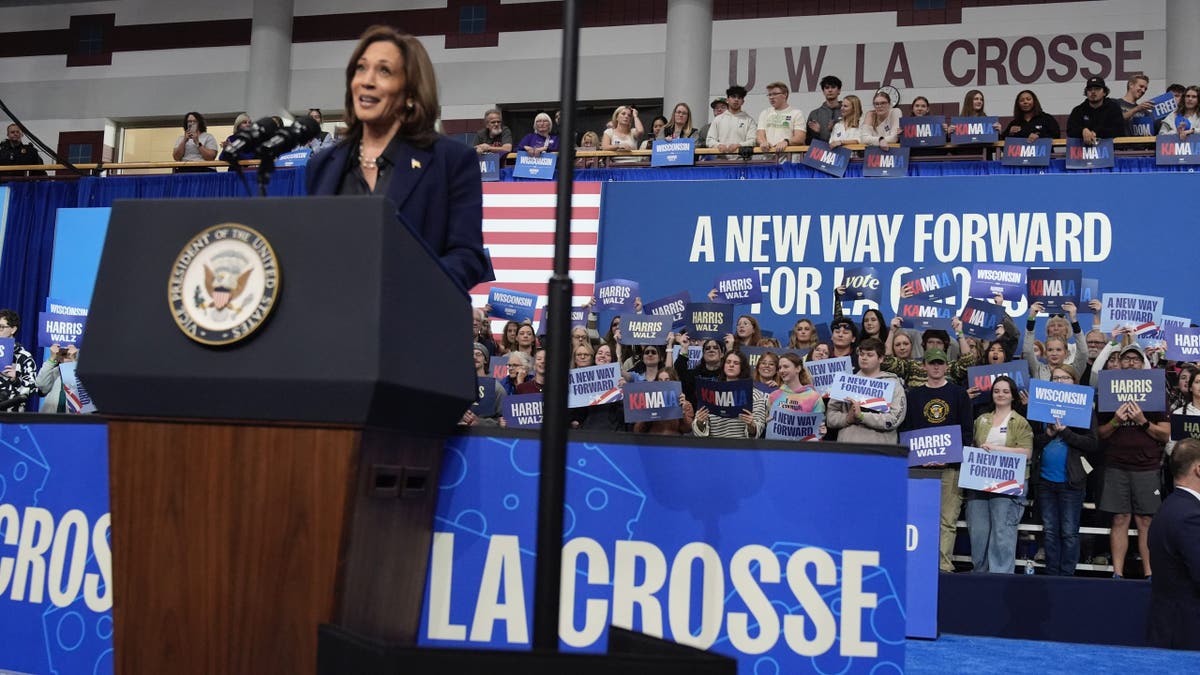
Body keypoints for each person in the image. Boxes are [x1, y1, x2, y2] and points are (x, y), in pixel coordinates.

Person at [306, 26, 491, 292]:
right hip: (336, 323)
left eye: (384, 71)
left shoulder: (451, 160)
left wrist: (408, 288)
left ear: (411, 94)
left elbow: (467, 258)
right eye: (361, 68)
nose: (367, 80)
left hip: (414, 321)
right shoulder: (322, 165)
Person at [1098, 343, 1171, 579]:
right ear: (1118, 363)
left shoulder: (1157, 391)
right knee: (1119, 518)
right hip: (1116, 464)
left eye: (1136, 359)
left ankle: (1150, 575)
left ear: (1143, 364)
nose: (1131, 362)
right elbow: (1099, 434)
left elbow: (1165, 434)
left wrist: (1142, 421)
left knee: (1146, 520)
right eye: (1126, 358)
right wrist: (1116, 421)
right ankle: (1117, 574)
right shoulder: (1108, 390)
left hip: (1147, 466)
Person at [903, 347, 975, 572]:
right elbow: (906, 431)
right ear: (923, 366)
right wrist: (921, 458)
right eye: (931, 363)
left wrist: (945, 458)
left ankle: (942, 565)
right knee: (918, 518)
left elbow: (967, 433)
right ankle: (918, 563)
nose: (936, 367)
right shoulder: (913, 395)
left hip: (950, 468)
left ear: (946, 366)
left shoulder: (958, 394)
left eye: (940, 363)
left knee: (947, 520)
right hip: (919, 469)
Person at [1033, 365, 1099, 576]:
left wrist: (1066, 433)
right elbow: (1034, 442)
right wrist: (1050, 434)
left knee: (1069, 532)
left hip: (1071, 481)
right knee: (1050, 531)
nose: (1059, 381)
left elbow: (1092, 444)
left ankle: (1067, 576)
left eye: (1065, 377)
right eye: (1055, 378)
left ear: (1075, 381)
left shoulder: (1085, 408)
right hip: (1045, 480)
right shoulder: (1041, 408)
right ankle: (1053, 575)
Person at [965, 375, 1033, 574]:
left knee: (1002, 534)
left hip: (1009, 484)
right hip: (979, 482)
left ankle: (1000, 579)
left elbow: (1027, 453)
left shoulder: (1020, 422)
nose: (1000, 394)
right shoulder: (981, 419)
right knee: (978, 533)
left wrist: (997, 449)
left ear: (1013, 396)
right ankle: (980, 575)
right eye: (996, 391)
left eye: (1005, 391)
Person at [1146, 438, 1200, 650]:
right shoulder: (1190, 515)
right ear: (1198, 469)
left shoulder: (1168, 507)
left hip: (1168, 627)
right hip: (1188, 633)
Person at [826, 338, 907, 445]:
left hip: (881, 450)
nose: (864, 358)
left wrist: (862, 417)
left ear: (881, 358)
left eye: (870, 355)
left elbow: (894, 419)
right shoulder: (845, 382)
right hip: (848, 449)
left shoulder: (893, 384)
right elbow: (830, 417)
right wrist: (847, 418)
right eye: (862, 354)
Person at [693, 349, 767, 439]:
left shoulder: (754, 394)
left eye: (736, 363)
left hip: (741, 447)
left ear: (742, 367)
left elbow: (758, 428)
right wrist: (700, 422)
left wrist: (751, 425)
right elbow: (698, 428)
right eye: (728, 362)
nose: (731, 365)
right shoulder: (710, 390)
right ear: (723, 365)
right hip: (714, 446)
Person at [632, 368, 694, 435]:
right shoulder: (648, 402)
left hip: (674, 442)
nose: (663, 383)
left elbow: (688, 429)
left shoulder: (685, 404)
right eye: (660, 380)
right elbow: (637, 430)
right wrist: (648, 412)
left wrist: (682, 412)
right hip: (653, 441)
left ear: (674, 382)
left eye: (667, 380)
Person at [1067, 77, 1125, 144]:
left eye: (1097, 89)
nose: (1093, 92)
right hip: (1083, 150)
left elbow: (1119, 131)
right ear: (1086, 93)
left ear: (1104, 92)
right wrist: (1082, 131)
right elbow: (1070, 131)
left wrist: (1095, 133)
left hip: (1110, 151)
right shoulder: (1078, 110)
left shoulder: (1113, 108)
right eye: (1090, 89)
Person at [0, 310, 36, 411]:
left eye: (1, 327)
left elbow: (33, 389)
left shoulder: (24, 357)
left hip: (11, 416)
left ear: (13, 330)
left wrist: (15, 380)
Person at [757, 81, 805, 156]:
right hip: (768, 158)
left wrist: (786, 142)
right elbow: (760, 134)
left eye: (775, 94)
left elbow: (800, 138)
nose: (771, 97)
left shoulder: (796, 113)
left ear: (785, 95)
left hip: (789, 159)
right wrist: (763, 142)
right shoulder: (765, 113)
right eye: (769, 95)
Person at [707, 85, 757, 153]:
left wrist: (739, 145)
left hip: (742, 160)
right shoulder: (718, 119)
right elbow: (709, 140)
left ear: (743, 101)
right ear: (727, 100)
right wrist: (718, 145)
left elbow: (753, 141)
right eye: (733, 96)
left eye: (739, 98)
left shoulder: (749, 120)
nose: (736, 100)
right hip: (721, 160)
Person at [35, 343, 82, 413]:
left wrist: (73, 360)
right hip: (50, 419)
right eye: (63, 355)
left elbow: (82, 393)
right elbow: (41, 385)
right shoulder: (53, 372)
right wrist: (52, 359)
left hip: (74, 421)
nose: (65, 359)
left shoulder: (84, 374)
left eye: (69, 354)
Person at [806, 75, 842, 145]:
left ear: (839, 91)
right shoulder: (814, 114)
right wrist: (816, 133)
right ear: (823, 91)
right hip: (821, 153)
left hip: (844, 152)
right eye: (827, 88)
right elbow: (808, 141)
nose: (830, 90)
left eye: (833, 87)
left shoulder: (847, 111)